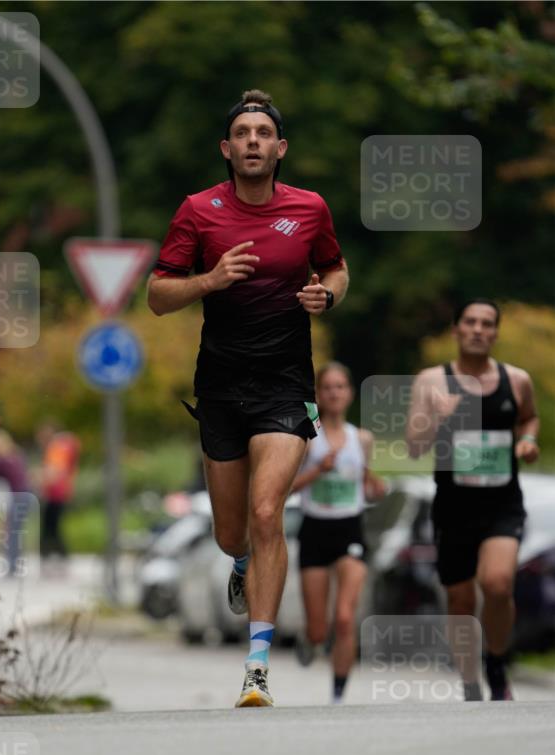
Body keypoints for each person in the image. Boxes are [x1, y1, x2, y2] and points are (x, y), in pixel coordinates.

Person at [147, 89, 349, 707]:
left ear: (280, 147)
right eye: (244, 133)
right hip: (221, 387)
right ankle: (240, 564)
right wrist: (209, 279)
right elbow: (158, 294)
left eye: (264, 132)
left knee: (268, 514)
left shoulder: (309, 208)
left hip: (286, 385)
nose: (254, 141)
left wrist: (328, 297)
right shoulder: (198, 211)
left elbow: (336, 269)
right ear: (227, 148)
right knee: (233, 533)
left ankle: (256, 668)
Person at [406, 300, 540, 701]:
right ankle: (469, 678)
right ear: (457, 330)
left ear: (496, 333)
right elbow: (414, 447)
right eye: (471, 323)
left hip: (502, 504)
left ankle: (497, 665)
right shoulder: (432, 381)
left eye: (487, 324)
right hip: (454, 506)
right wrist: (438, 419)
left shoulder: (516, 380)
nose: (479, 330)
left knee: (498, 584)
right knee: (460, 598)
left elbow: (528, 417)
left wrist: (529, 439)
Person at [291, 363, 386, 702]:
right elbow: (286, 488)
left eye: (340, 386)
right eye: (327, 387)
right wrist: (317, 470)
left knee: (345, 618)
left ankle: (338, 694)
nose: (334, 392)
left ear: (349, 393)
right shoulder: (306, 440)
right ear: (318, 394)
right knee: (320, 629)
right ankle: (311, 638)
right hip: (314, 530)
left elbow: (369, 483)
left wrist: (375, 484)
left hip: (350, 530)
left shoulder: (362, 439)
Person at [0, 429, 32, 576]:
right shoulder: (17, 456)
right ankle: (14, 564)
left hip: (15, 498)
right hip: (25, 496)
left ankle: (12, 566)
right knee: (15, 532)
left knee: (11, 532)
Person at [36, 422, 80, 560]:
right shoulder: (61, 446)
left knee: (50, 524)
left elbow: (55, 470)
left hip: (55, 492)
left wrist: (40, 479)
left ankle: (52, 553)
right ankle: (55, 553)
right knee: (53, 524)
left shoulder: (56, 448)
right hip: (61, 491)